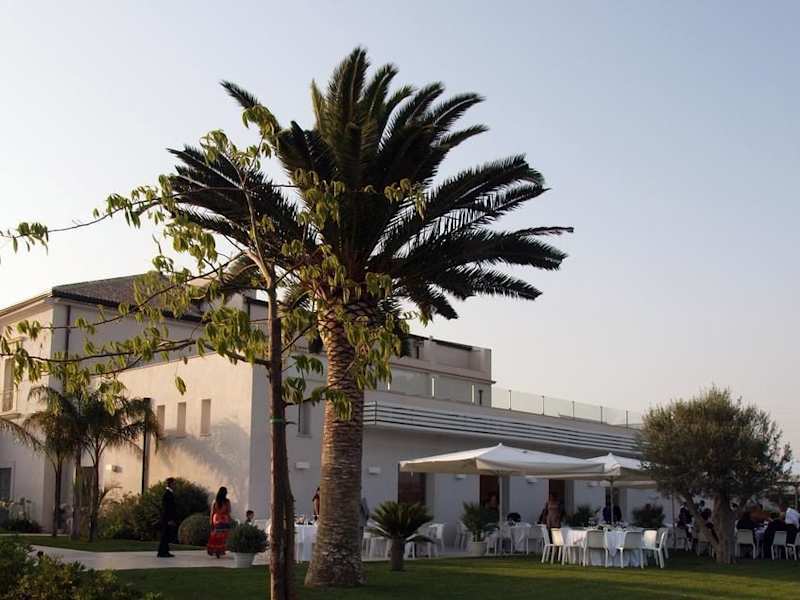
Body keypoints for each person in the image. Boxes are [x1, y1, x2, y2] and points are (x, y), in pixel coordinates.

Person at [207, 486, 232, 558]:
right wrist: (230, 520)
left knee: (216, 535)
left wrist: (211, 521)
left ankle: (215, 549)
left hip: (216, 519)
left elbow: (212, 512)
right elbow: (228, 511)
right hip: (224, 519)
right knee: (223, 536)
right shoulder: (227, 501)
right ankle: (219, 550)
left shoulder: (215, 501)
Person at [157, 477, 177, 558]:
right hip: (166, 518)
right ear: (171, 484)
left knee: (166, 535)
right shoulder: (167, 494)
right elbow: (167, 508)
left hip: (167, 518)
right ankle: (162, 552)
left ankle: (165, 551)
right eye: (174, 483)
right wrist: (169, 519)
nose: (175, 485)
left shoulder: (170, 493)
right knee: (164, 535)